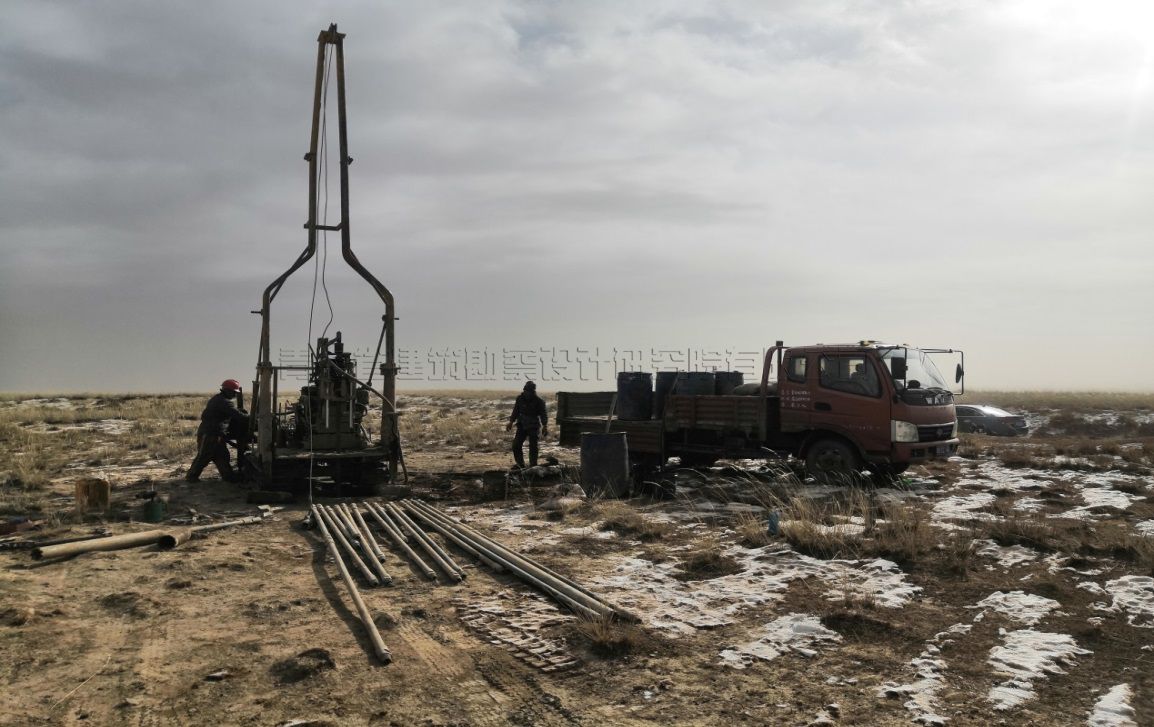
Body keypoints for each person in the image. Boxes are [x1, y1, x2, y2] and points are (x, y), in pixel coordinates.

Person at [185, 379, 249, 483]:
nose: (234, 395)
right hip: (211, 433)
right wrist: (252, 418)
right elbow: (238, 416)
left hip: (214, 433)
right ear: (227, 391)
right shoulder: (224, 402)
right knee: (204, 455)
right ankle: (191, 476)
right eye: (234, 392)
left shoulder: (218, 399)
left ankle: (228, 476)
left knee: (221, 456)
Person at [506, 381, 548, 469]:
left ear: (533, 391)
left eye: (529, 391)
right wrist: (511, 422)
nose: (527, 393)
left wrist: (545, 426)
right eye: (526, 390)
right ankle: (520, 464)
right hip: (522, 424)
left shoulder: (539, 401)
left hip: (533, 425)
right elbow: (516, 411)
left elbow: (543, 414)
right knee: (516, 445)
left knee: (533, 446)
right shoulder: (520, 399)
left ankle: (533, 465)